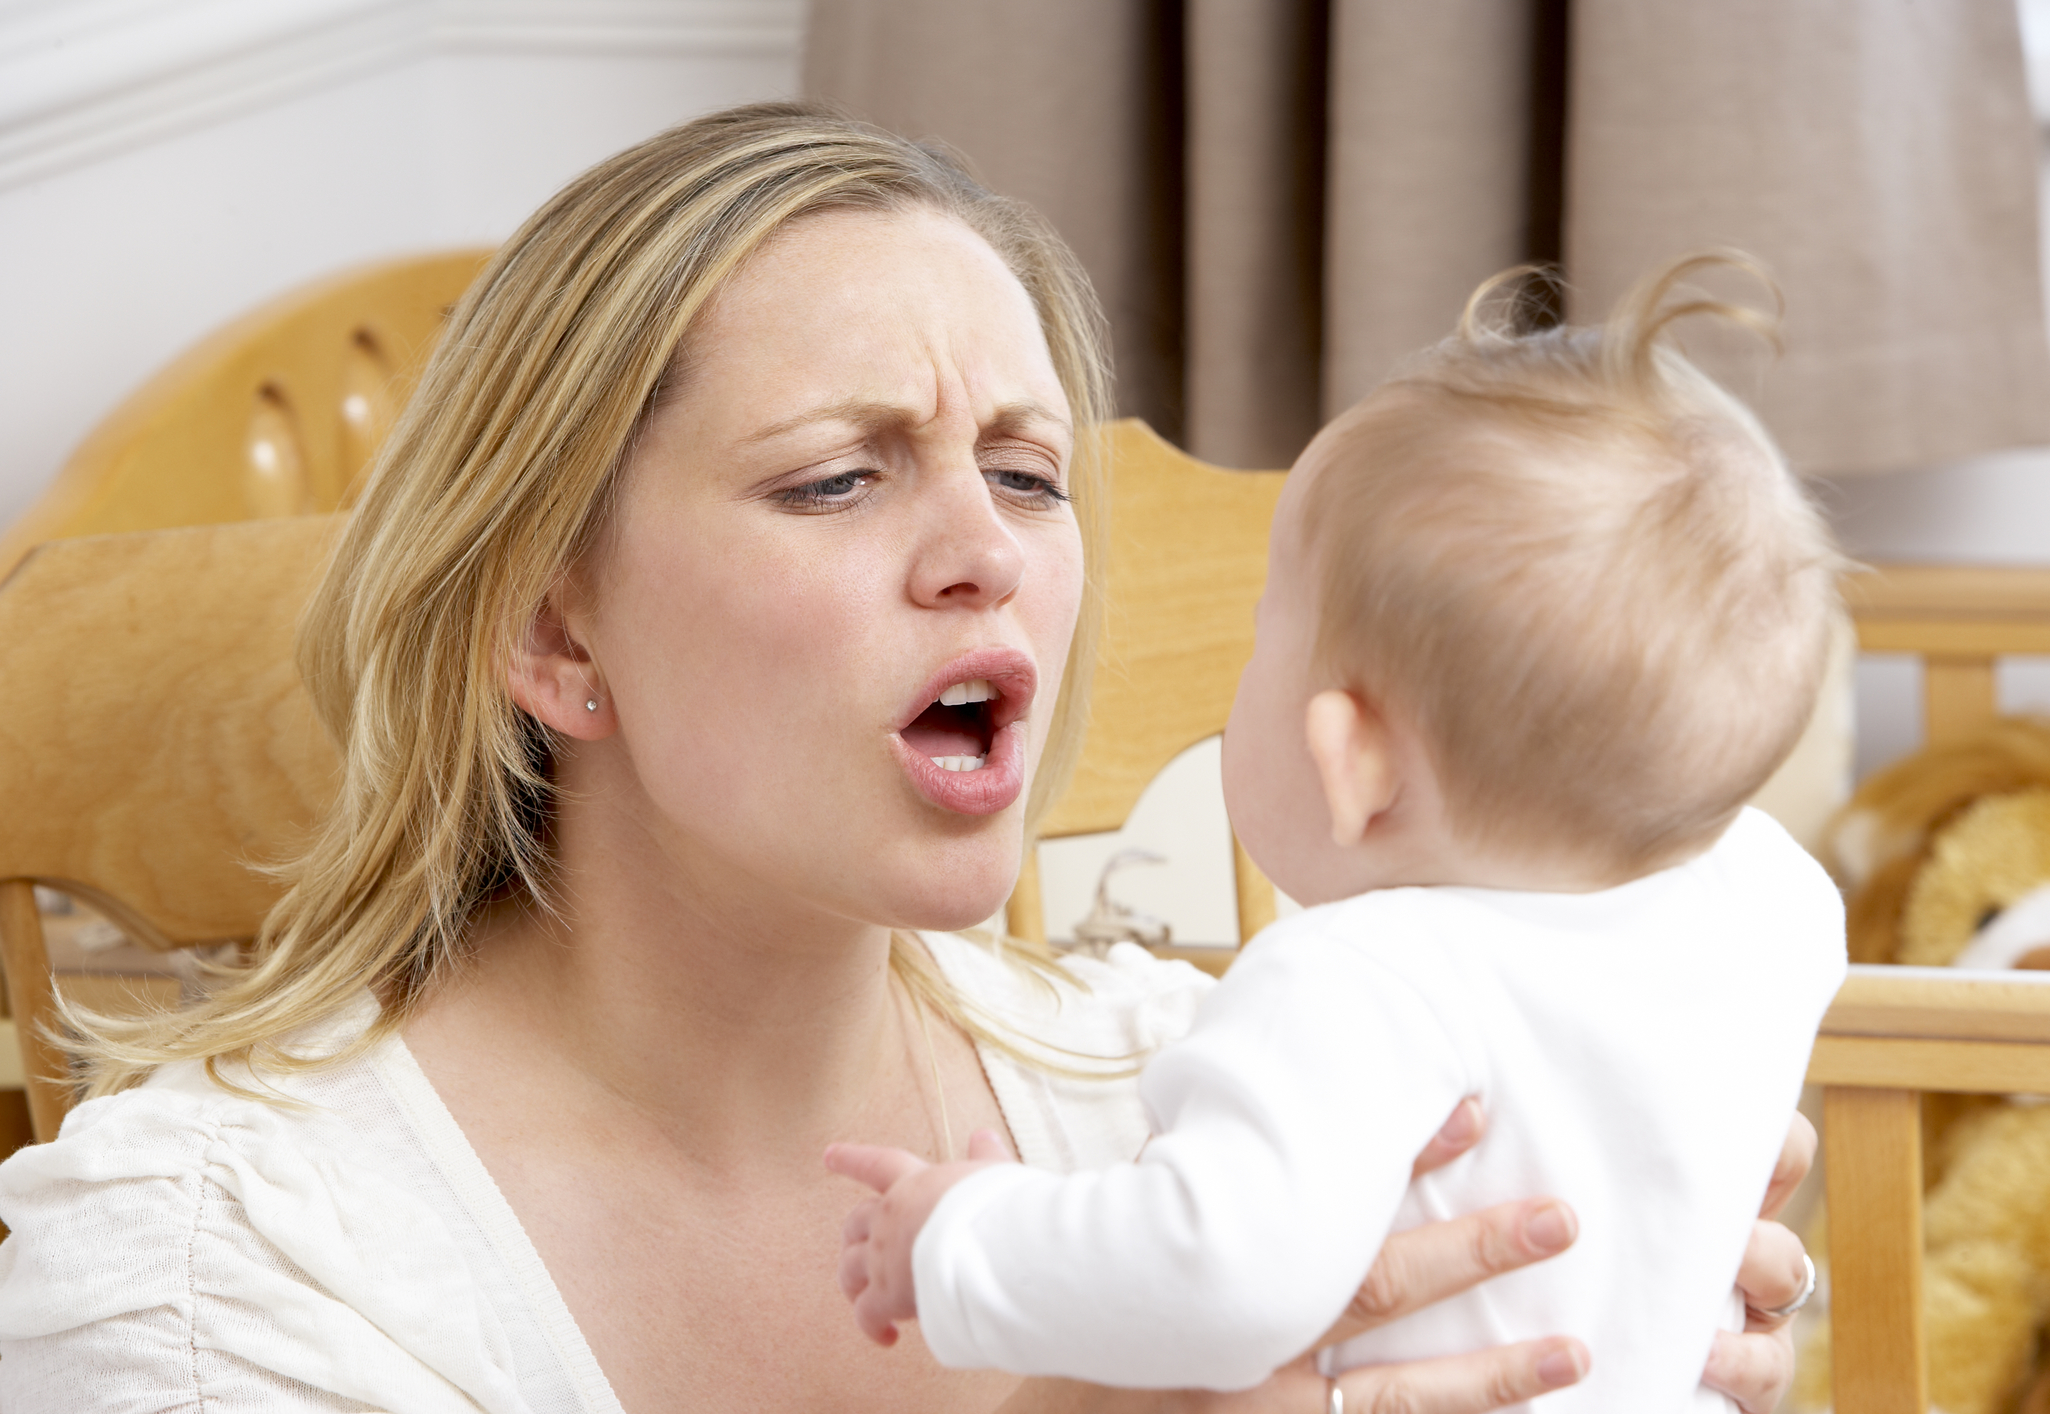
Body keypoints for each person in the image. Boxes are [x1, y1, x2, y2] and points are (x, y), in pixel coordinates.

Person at [0, 104, 1812, 1414]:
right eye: (837, 476)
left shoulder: (1208, 1109)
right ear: (556, 633)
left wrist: (1651, 1316)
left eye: (1026, 472)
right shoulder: (210, 1280)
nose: (990, 550)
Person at [827, 257, 1847, 1409]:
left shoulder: (1356, 983)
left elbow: (1216, 1273)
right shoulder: (1775, 907)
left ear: (1347, 761)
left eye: (1267, 630)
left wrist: (961, 1237)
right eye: (831, 480)